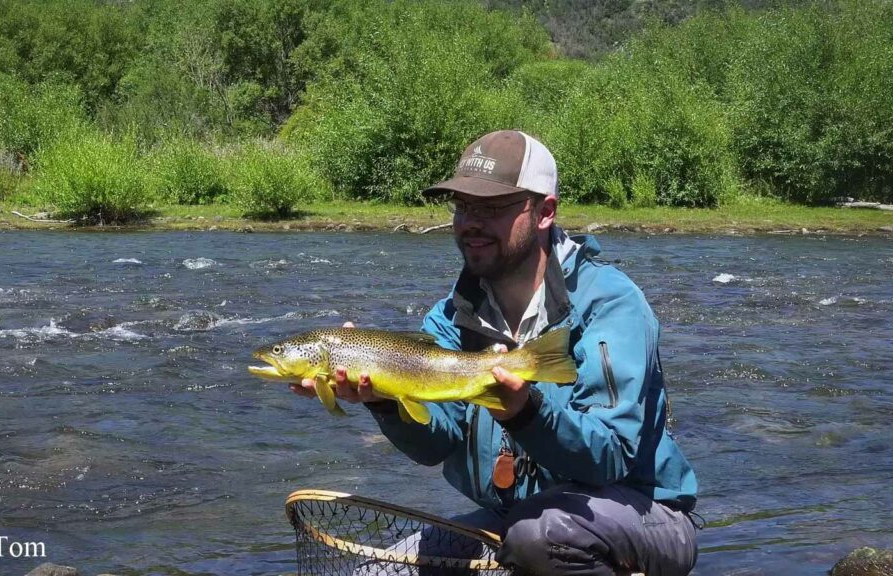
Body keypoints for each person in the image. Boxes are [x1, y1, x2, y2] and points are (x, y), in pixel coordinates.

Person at [291, 130, 699, 576]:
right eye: (463, 206)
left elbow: (612, 455)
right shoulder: (451, 316)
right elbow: (438, 441)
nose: (470, 222)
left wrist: (525, 413)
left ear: (544, 212)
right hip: (518, 519)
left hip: (641, 515)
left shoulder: (610, 305)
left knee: (541, 537)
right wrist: (384, 401)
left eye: (491, 208)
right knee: (379, 573)